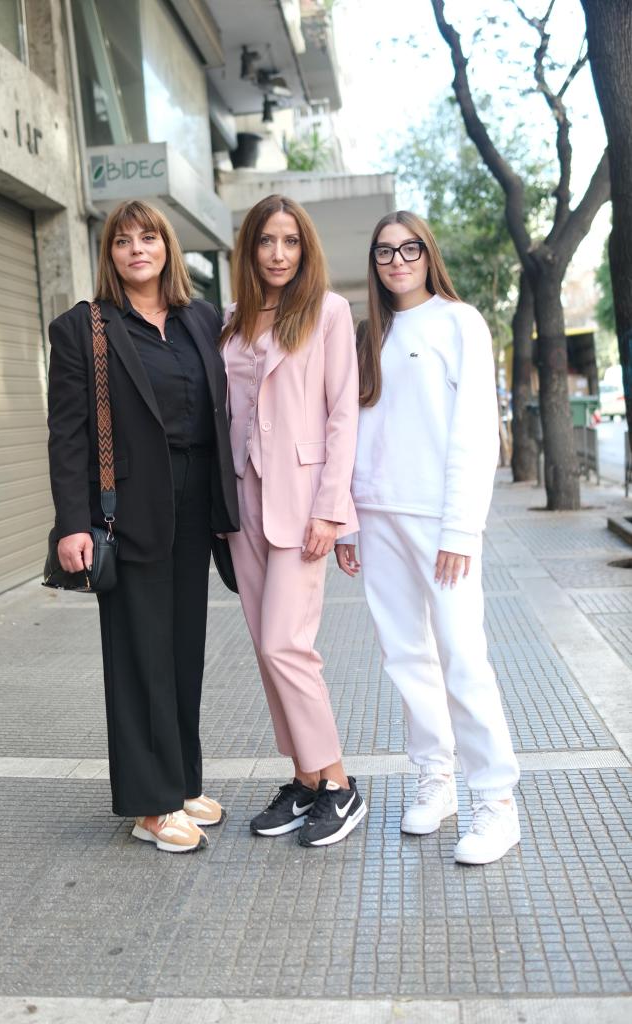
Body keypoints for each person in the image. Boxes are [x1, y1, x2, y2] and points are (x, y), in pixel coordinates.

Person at [47, 200, 239, 854]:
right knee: (139, 655)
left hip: (195, 502)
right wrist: (71, 523)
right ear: (110, 253)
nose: (137, 249)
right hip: (125, 510)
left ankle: (180, 782)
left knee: (183, 647)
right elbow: (67, 434)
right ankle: (149, 806)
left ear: (167, 247)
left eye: (148, 237)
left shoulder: (199, 319)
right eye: (123, 240)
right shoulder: (84, 328)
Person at [335, 210, 520, 865]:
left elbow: (475, 429)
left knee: (462, 657)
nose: (397, 260)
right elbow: (352, 430)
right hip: (377, 515)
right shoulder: (369, 334)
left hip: (440, 521)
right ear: (373, 263)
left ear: (427, 253)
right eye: (384, 251)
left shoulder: (459, 321)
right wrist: (347, 520)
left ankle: (496, 804)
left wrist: (460, 528)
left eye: (409, 248)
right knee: (406, 657)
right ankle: (436, 780)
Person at [220, 194, 366, 847]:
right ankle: (305, 780)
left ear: (305, 249)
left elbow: (342, 415)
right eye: (266, 241)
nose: (278, 254)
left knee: (287, 644)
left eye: (290, 241)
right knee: (266, 648)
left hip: (303, 500)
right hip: (242, 502)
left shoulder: (327, 312)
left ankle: (338, 782)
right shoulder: (231, 319)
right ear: (249, 249)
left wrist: (333, 510)